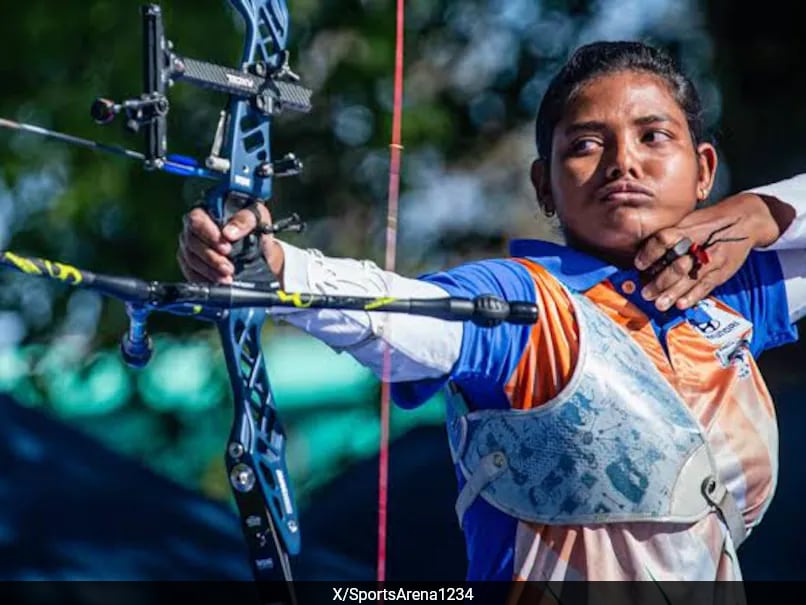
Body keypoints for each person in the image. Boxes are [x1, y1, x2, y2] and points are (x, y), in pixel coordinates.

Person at [178, 41, 806, 586]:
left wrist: (758, 213)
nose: (624, 163)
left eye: (654, 136)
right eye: (586, 144)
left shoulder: (727, 292)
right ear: (543, 185)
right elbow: (404, 318)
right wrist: (273, 265)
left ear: (702, 172)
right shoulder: (526, 301)